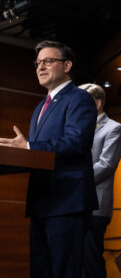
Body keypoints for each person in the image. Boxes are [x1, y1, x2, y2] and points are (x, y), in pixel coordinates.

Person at [0, 40, 98, 278]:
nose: (40, 67)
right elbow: (37, 154)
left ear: (67, 66)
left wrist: (29, 146)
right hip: (41, 201)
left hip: (67, 202)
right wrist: (20, 152)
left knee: (64, 271)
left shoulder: (79, 99)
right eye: (38, 63)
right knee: (40, 271)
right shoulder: (39, 107)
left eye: (48, 61)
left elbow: (75, 142)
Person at [79, 83, 121, 278]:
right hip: (73, 204)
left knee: (91, 261)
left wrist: (74, 179)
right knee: (76, 261)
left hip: (95, 206)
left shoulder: (114, 128)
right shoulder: (77, 128)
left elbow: (106, 165)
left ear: (97, 103)